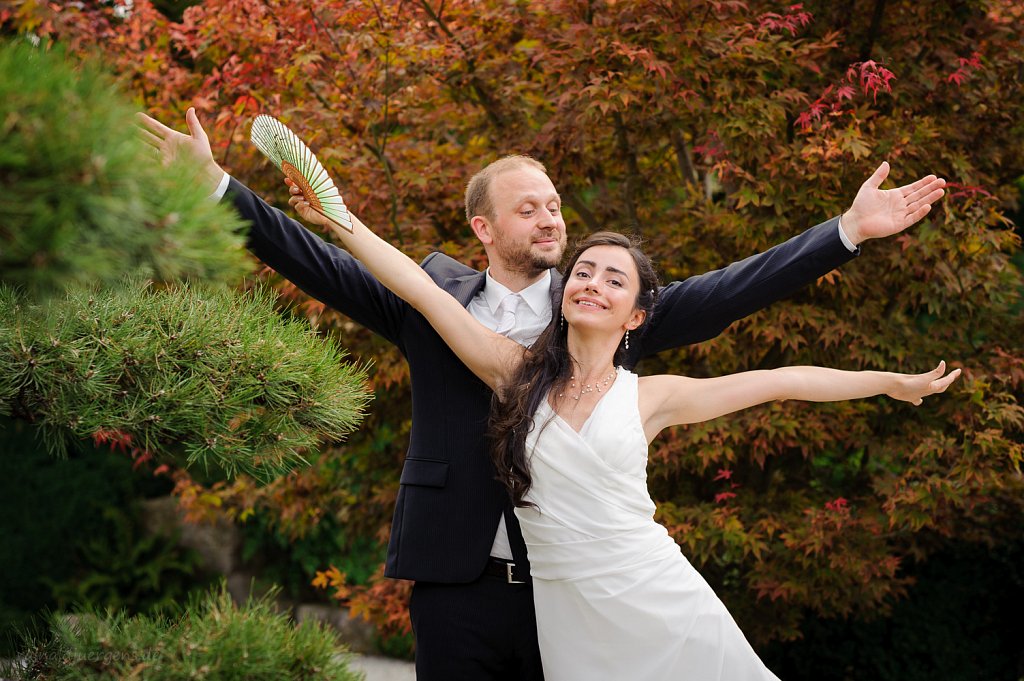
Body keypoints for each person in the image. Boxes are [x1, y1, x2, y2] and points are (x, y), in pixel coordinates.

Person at [137, 107, 947, 680]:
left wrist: (844, 233)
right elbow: (325, 262)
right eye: (529, 208)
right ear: (484, 227)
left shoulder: (612, 308)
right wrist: (220, 189)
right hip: (456, 581)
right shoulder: (441, 300)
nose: (552, 219)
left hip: (581, 598)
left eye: (556, 204)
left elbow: (744, 304)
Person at [286, 192, 960, 679]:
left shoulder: (653, 395)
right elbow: (421, 290)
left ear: (635, 315)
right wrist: (337, 218)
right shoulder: (515, 375)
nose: (592, 283)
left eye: (614, 280)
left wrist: (886, 382)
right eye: (583, 271)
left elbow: (782, 379)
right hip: (570, 619)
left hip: (657, 596)